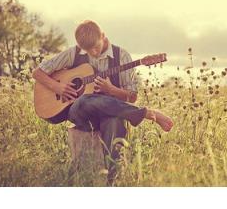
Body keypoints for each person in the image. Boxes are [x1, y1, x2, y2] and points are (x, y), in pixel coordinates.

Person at [32, 20, 173, 184]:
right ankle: (146, 113)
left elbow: (132, 97)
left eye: (96, 47)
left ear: (103, 36)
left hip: (111, 113)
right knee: (84, 100)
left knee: (114, 122)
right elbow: (38, 72)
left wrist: (111, 90)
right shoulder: (74, 53)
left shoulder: (122, 56)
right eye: (87, 50)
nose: (92, 52)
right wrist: (57, 87)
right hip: (80, 112)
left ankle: (112, 180)